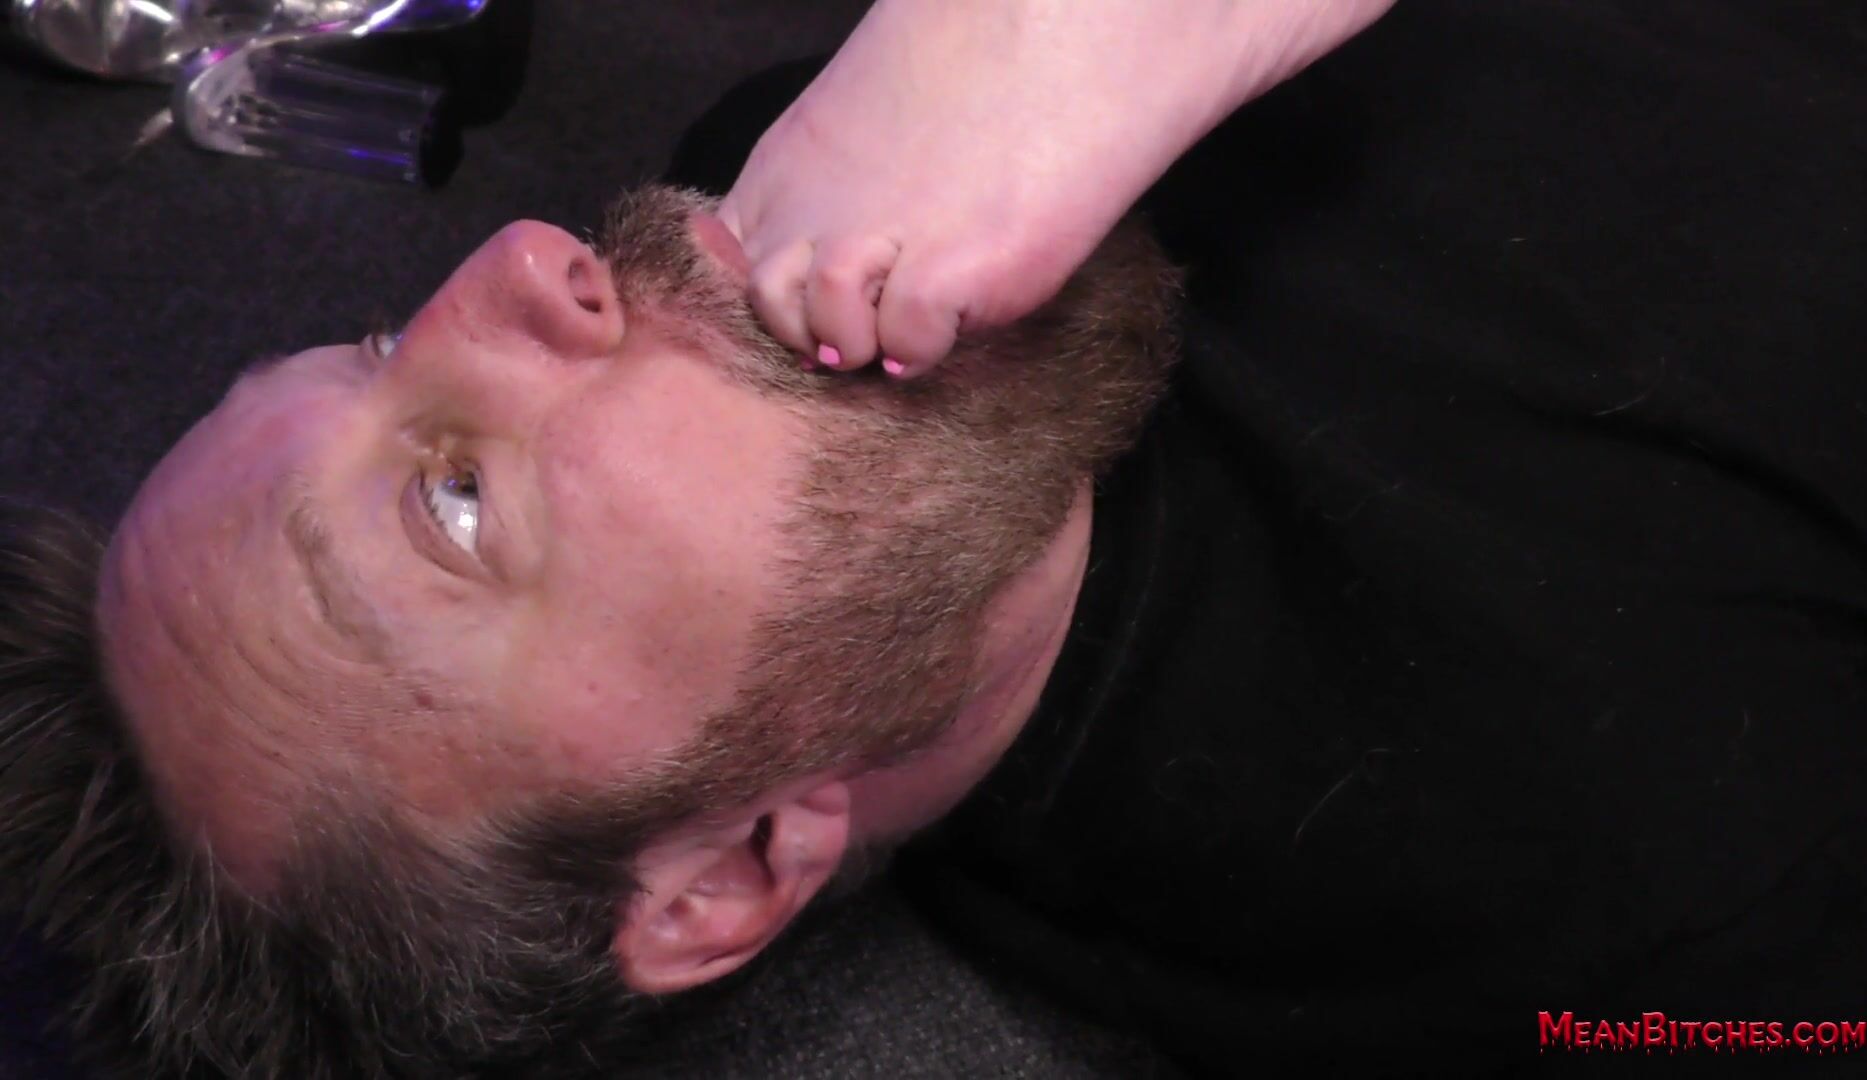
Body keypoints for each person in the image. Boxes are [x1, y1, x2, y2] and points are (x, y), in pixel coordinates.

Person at [4, 2, 1864, 1078]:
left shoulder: (777, 167)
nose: (521, 263)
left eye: (368, 345)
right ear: (725, 875)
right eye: (457, 499)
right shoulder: (1638, 917)